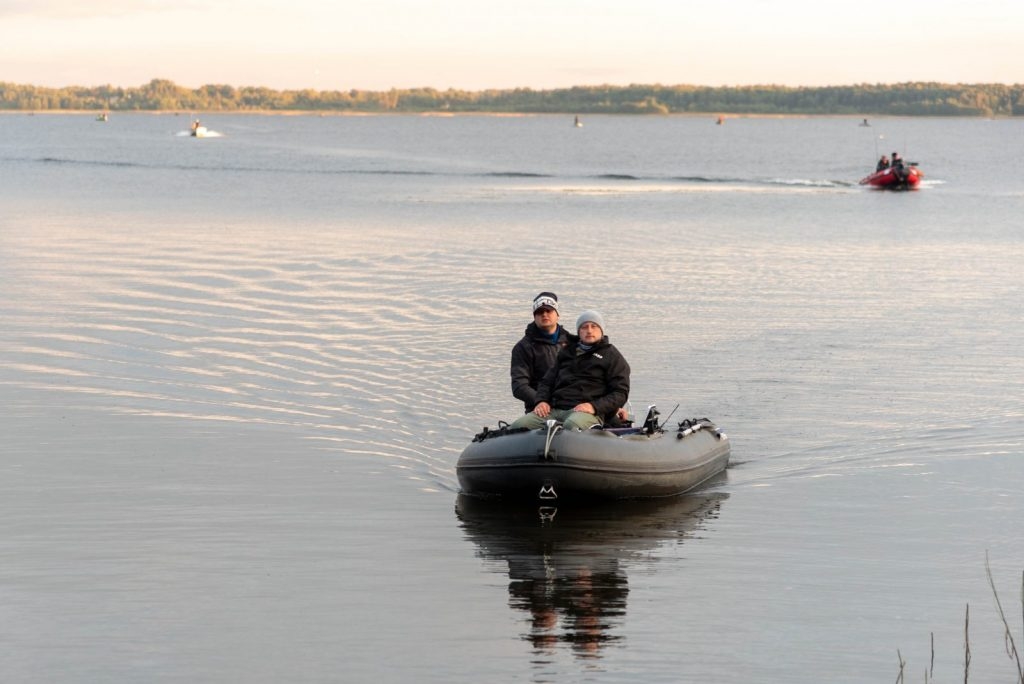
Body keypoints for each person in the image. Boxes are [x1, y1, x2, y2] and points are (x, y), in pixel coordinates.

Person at [510, 310, 630, 432]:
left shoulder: (612, 356)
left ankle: (595, 431)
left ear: (601, 330)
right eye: (584, 327)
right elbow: (547, 382)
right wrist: (542, 401)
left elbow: (620, 392)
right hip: (556, 409)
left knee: (571, 425)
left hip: (586, 411)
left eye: (594, 326)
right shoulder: (567, 352)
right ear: (579, 331)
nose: (589, 330)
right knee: (518, 426)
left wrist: (594, 406)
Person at [510, 292, 571, 412]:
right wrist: (541, 400)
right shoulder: (522, 347)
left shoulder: (573, 343)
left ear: (557, 314)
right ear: (534, 316)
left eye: (549, 310)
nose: (544, 314)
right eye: (540, 312)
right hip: (540, 408)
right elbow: (519, 386)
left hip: (572, 406)